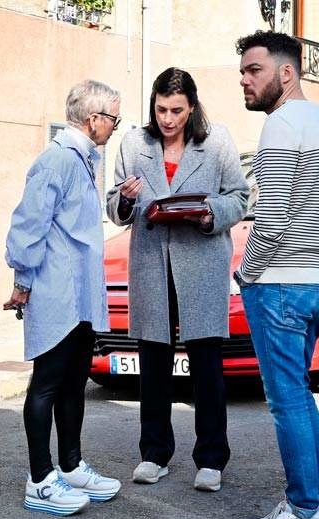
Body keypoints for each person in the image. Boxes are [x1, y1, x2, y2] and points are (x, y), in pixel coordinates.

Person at [232, 31, 319, 519]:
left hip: (281, 284)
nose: (244, 79)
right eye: (242, 70)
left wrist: (249, 271)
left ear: (286, 73)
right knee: (299, 396)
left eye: (254, 70)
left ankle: (303, 513)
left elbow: (274, 215)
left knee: (286, 400)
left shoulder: (282, 124)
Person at [106, 67, 247, 491]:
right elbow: (114, 206)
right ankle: (153, 454)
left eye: (177, 110)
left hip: (200, 262)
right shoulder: (134, 142)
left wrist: (209, 214)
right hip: (151, 263)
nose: (168, 119)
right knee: (153, 365)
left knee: (206, 365)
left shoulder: (217, 140)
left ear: (192, 107)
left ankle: (211, 460)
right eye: (162, 109)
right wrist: (127, 201)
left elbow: (239, 198)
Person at [4, 80, 123, 516]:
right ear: (94, 120)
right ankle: (39, 479)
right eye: (113, 118)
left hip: (79, 293)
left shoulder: (81, 160)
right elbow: (28, 226)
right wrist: (22, 279)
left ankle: (70, 467)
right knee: (48, 382)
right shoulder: (57, 162)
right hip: (55, 290)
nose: (114, 126)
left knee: (74, 382)